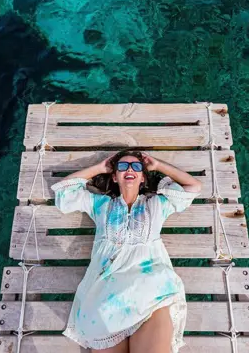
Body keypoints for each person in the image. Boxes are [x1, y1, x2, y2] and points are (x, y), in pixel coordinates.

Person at [50, 150, 203, 353]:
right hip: (106, 300)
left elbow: (193, 187)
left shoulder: (157, 205)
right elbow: (63, 193)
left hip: (152, 293)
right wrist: (100, 168)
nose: (129, 169)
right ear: (115, 176)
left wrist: (157, 165)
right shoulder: (101, 205)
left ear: (142, 177)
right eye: (122, 167)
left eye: (136, 167)